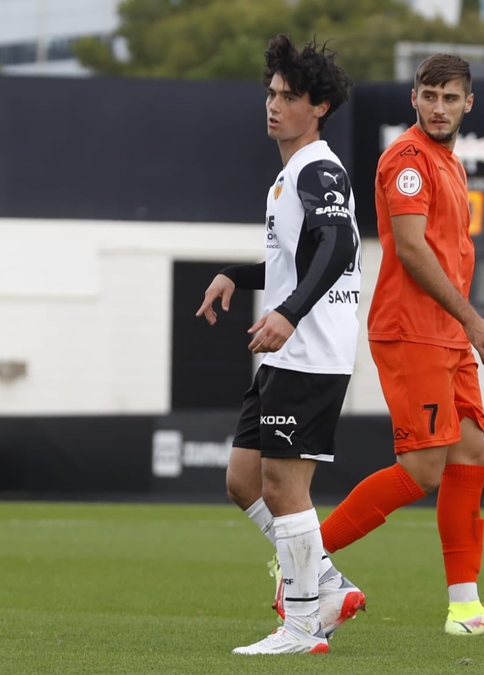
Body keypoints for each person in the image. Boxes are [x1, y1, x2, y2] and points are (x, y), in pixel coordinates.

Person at [311, 53, 484, 637]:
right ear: (414, 97)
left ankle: (465, 609)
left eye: (450, 97)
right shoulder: (408, 158)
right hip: (414, 330)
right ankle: (299, 567)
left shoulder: (450, 163)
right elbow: (410, 250)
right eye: (430, 95)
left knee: (471, 455)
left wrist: (462, 327)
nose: (439, 106)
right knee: (421, 467)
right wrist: (475, 321)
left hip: (445, 333)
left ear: (468, 103)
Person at [196, 34, 363, 656]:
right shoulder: (291, 174)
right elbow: (299, 260)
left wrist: (290, 314)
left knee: (284, 490)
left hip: (310, 352)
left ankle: (301, 628)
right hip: (285, 354)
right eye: (270, 94)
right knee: (244, 481)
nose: (273, 106)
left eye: (288, 97)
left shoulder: (318, 168)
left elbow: (339, 245)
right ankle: (324, 583)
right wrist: (238, 275)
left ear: (318, 107)